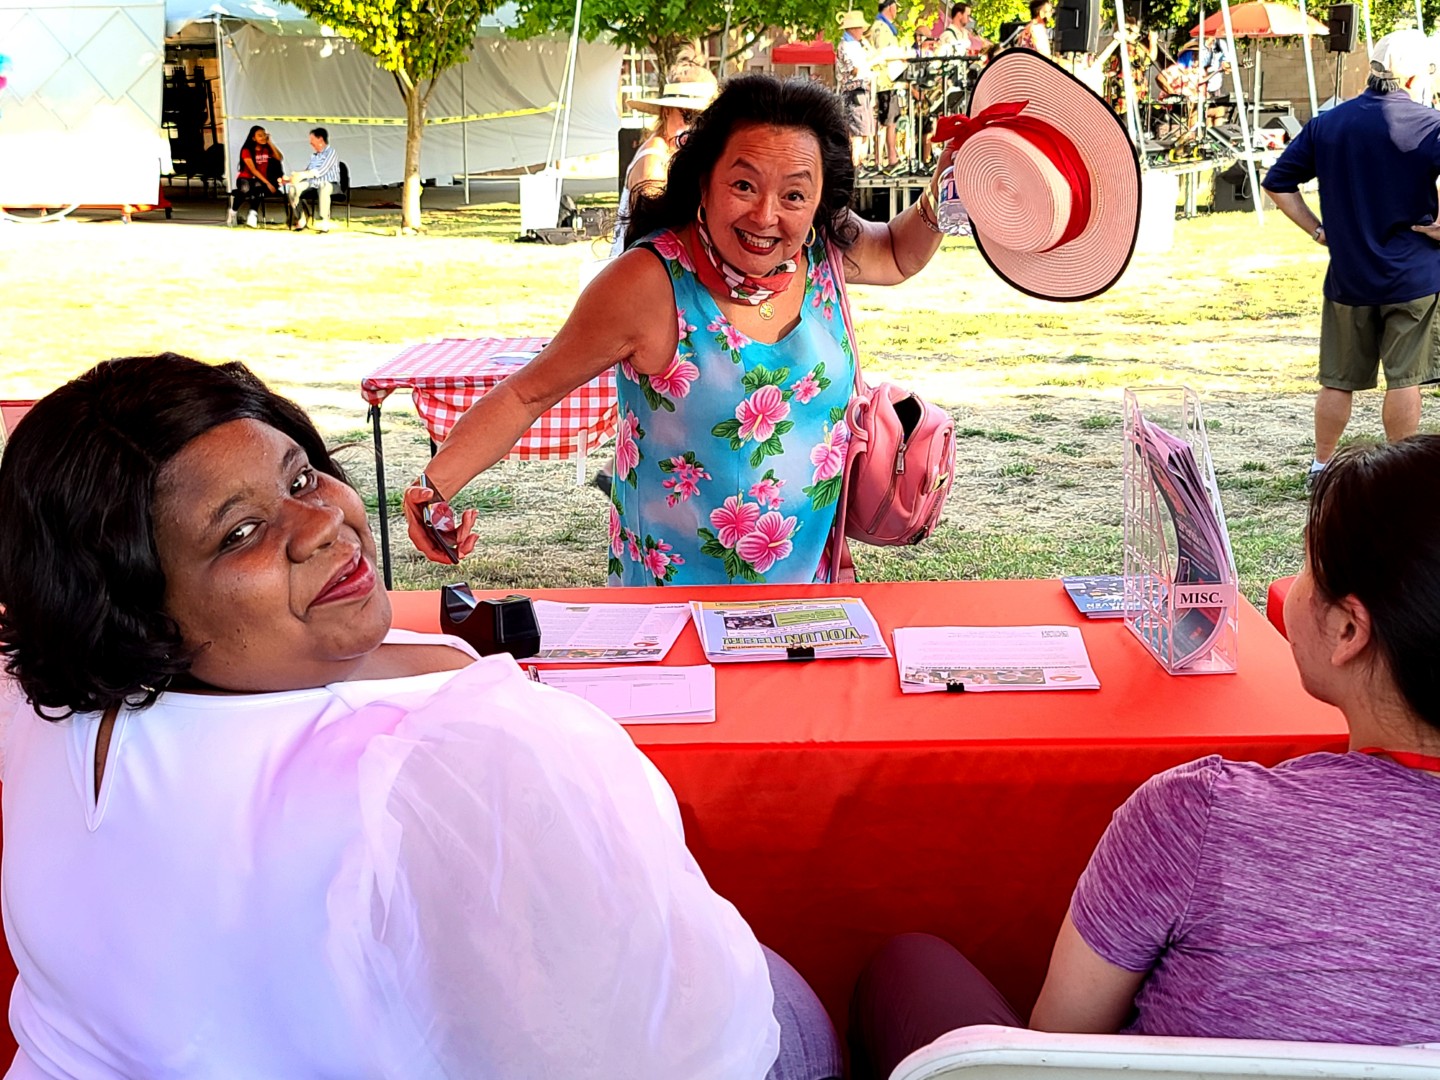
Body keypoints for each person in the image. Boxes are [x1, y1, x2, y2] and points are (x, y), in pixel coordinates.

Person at [0, 353, 843, 1079]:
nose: (324, 522)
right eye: (242, 532)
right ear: (136, 615)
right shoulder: (440, 764)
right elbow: (654, 1048)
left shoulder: (41, 699)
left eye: (300, 477)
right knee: (805, 996)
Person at [849, 434, 1440, 1079]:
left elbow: (1054, 1047)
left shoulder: (1200, 813)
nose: (1289, 588)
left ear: (1349, 630)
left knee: (906, 964)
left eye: (1306, 566)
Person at [402, 74, 953, 586]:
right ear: (703, 182)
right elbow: (527, 395)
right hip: (674, 611)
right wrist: (434, 487)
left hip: (806, 601)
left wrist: (952, 181)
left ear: (817, 201)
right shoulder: (648, 283)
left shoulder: (824, 249)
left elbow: (897, 254)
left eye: (793, 194)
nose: (766, 215)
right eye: (744, 185)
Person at [1263, 29, 1440, 486]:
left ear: (1371, 70)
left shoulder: (1329, 124)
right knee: (1405, 379)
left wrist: (1317, 229)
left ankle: (1321, 466)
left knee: (1338, 379)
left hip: (1349, 274)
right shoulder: (1431, 125)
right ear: (1415, 77)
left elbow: (1278, 182)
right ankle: (1399, 474)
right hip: (1414, 275)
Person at [611, 62, 720, 257]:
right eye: (688, 116)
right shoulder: (654, 160)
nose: (695, 127)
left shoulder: (680, 156)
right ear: (666, 111)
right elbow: (653, 234)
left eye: (704, 119)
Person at [836, 10, 878, 166]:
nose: (862, 31)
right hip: (854, 92)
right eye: (860, 28)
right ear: (853, 29)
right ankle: (854, 166)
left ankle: (860, 164)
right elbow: (853, 70)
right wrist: (872, 62)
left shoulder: (856, 45)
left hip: (861, 91)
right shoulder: (845, 46)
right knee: (857, 133)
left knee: (865, 131)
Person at [867, 0, 905, 171]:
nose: (896, 11)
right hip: (885, 81)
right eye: (895, 7)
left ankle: (888, 158)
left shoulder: (885, 27)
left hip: (890, 81)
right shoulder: (881, 28)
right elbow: (883, 54)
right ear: (890, 7)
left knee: (891, 120)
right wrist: (902, 56)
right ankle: (888, 159)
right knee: (888, 122)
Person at [282, 127, 340, 233]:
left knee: (324, 186)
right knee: (293, 189)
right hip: (313, 184)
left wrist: (302, 174)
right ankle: (301, 220)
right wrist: (290, 179)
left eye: (312, 139)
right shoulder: (314, 156)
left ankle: (325, 222)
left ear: (320, 139)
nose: (310, 142)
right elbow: (307, 173)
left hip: (330, 184)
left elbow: (321, 171)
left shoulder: (331, 152)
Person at [226, 125, 283, 228]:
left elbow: (279, 157)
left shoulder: (267, 149)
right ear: (253, 138)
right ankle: (233, 212)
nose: (263, 137)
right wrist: (268, 183)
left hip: (259, 179)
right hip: (245, 178)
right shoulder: (246, 150)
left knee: (258, 189)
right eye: (260, 135)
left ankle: (252, 215)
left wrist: (270, 142)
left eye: (264, 135)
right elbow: (253, 170)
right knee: (245, 189)